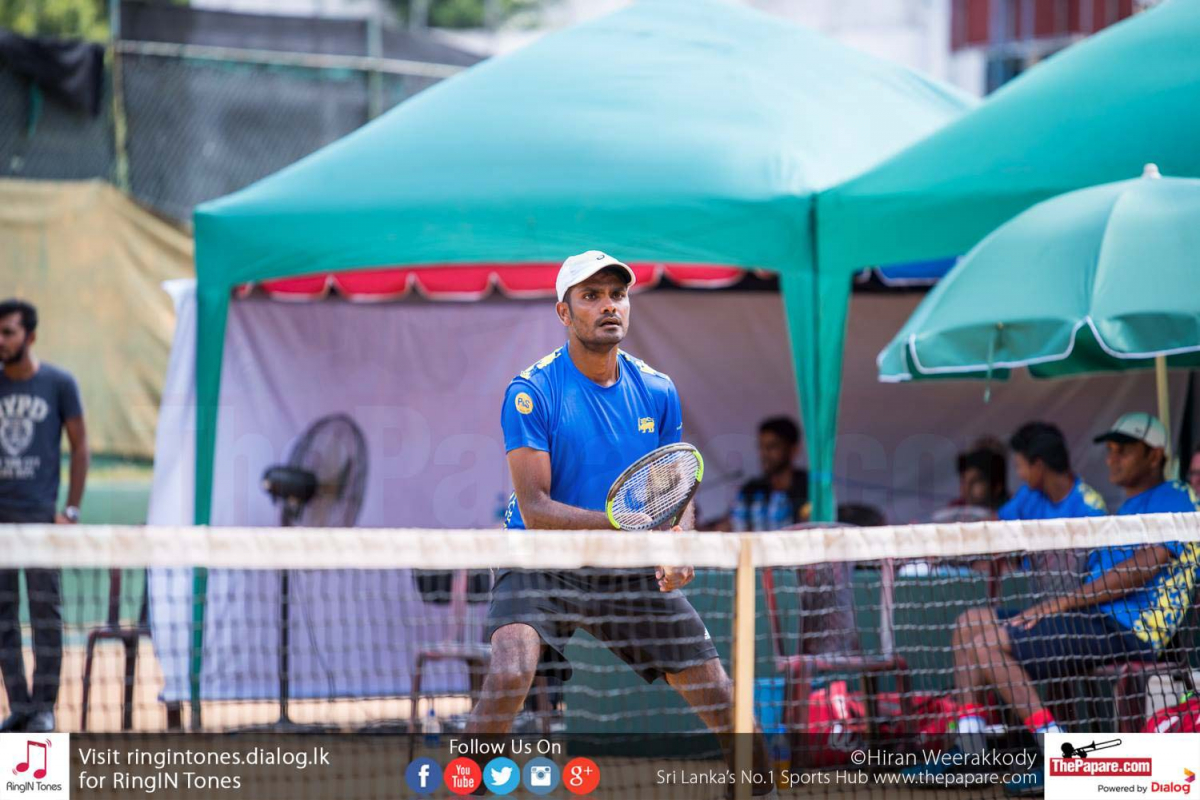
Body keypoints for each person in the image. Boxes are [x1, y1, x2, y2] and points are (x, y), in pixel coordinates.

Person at [469, 252, 774, 795]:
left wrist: (678, 541)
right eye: (591, 296)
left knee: (727, 703)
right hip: (540, 562)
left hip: (626, 568)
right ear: (564, 313)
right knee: (510, 672)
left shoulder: (657, 389)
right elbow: (536, 509)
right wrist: (630, 527)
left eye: (617, 294)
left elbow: (675, 486)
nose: (609, 305)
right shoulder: (531, 391)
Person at [912, 412, 1199, 797]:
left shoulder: (1176, 496)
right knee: (969, 624)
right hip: (1092, 618)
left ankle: (1059, 753)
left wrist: (1059, 604)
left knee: (987, 645)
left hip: (1130, 630)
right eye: (1111, 450)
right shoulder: (1128, 504)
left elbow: (1141, 570)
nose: (1112, 459)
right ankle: (971, 748)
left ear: (1155, 455)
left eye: (1124, 450)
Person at [0, 299, 89, 733]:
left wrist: (70, 510)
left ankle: (44, 709)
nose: (1, 341)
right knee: (3, 617)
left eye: (8, 333)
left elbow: (80, 445)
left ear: (30, 336)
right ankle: (20, 707)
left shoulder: (58, 384)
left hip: (40, 522)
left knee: (45, 616)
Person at [999, 422, 1106, 597]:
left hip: (1071, 604)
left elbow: (1094, 581)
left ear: (1038, 466)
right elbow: (997, 525)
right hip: (1029, 597)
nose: (1019, 474)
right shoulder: (1029, 494)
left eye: (1019, 466)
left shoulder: (1090, 508)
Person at [717, 417, 809, 531]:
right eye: (761, 447)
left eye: (772, 447)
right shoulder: (751, 489)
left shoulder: (810, 488)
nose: (764, 454)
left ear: (793, 449)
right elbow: (731, 525)